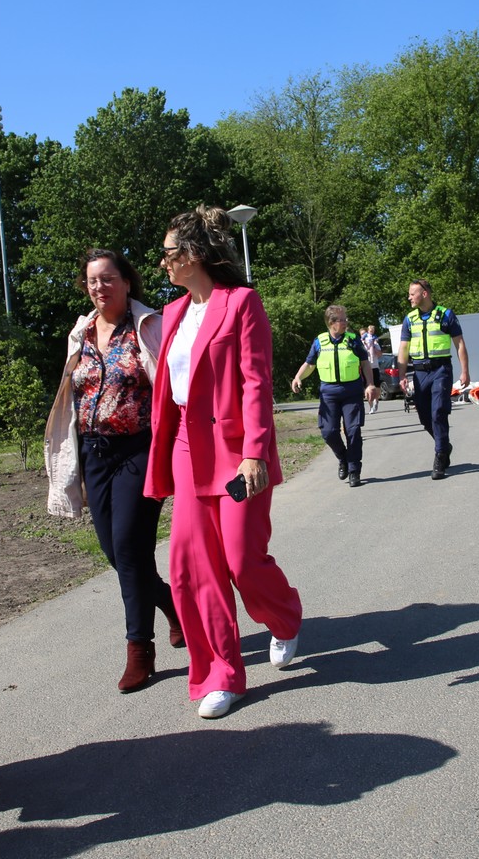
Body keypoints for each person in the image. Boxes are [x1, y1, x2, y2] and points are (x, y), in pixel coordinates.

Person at [143, 205, 303, 721]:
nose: (163, 262)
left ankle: (284, 616)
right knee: (193, 566)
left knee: (241, 560)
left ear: (194, 255)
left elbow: (257, 382)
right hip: (187, 449)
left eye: (169, 253)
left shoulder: (241, 303)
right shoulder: (172, 313)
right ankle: (220, 674)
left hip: (236, 452)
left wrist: (255, 451)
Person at [45, 248, 183, 694]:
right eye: (92, 280)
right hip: (94, 453)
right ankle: (173, 606)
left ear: (126, 282)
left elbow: (172, 383)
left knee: (127, 547)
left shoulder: (148, 326)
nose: (99, 287)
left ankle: (139, 648)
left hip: (139, 450)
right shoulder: (81, 331)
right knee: (116, 553)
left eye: (107, 278)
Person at [291, 305, 380, 487]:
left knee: (353, 430)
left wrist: (370, 384)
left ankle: (354, 470)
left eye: (346, 319)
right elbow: (309, 364)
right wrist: (298, 377)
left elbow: (365, 363)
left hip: (352, 392)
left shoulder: (353, 340)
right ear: (331, 323)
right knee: (328, 431)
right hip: (328, 394)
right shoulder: (319, 342)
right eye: (342, 319)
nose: (346, 322)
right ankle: (343, 458)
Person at [396, 279, 471, 480]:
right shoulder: (409, 319)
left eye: (412, 293)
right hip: (420, 373)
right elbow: (403, 348)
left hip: (441, 370)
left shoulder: (446, 315)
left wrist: (465, 371)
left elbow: (460, 344)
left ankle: (440, 455)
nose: (409, 297)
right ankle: (444, 445)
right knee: (424, 417)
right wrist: (401, 375)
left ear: (424, 294)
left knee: (438, 411)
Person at [361, 325, 383, 413]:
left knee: (376, 386)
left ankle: (376, 401)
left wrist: (373, 346)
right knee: (367, 386)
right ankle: (371, 407)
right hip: (365, 367)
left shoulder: (375, 342)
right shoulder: (361, 345)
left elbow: (380, 354)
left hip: (374, 366)